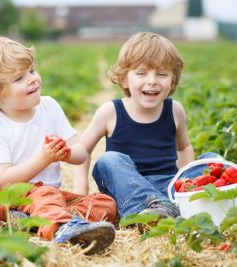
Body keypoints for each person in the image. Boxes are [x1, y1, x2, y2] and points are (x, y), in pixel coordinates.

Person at [0, 36, 117, 254]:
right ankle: (63, 229)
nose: (32, 79)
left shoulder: (50, 107)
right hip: (6, 199)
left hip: (50, 195)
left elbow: (81, 153)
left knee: (104, 204)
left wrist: (66, 153)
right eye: (19, 78)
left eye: (32, 71)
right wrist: (44, 159)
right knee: (45, 194)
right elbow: (4, 179)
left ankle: (35, 222)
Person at [74, 32, 211, 222]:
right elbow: (83, 150)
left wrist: (186, 182)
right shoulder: (111, 112)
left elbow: (184, 147)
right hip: (127, 188)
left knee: (212, 161)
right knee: (107, 161)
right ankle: (153, 209)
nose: (152, 80)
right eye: (141, 73)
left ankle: (172, 206)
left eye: (162, 74)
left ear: (173, 80)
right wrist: (82, 190)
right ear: (123, 79)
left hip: (168, 184)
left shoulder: (175, 110)